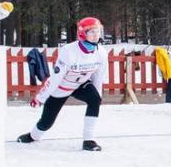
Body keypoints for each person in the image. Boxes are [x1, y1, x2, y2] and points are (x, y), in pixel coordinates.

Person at [17, 17, 109, 151]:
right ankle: (33, 136)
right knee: (46, 122)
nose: (96, 35)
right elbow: (55, 78)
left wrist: (98, 95)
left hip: (81, 85)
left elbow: (98, 76)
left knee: (95, 99)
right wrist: (40, 98)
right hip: (61, 87)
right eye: (92, 32)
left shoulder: (101, 52)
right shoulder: (69, 51)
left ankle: (89, 141)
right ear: (83, 33)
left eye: (98, 31)